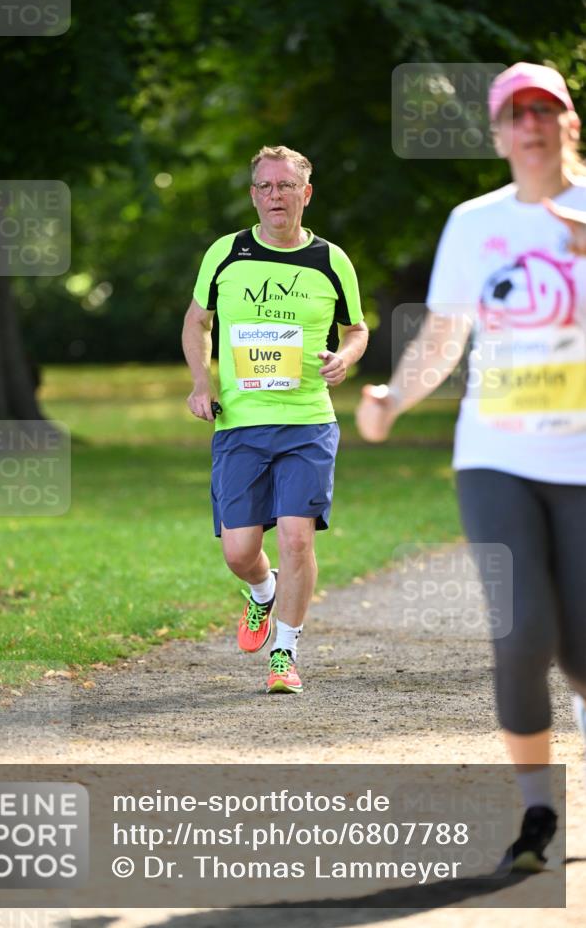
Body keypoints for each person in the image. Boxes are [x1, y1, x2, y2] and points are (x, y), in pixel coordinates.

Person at [357, 63, 586, 871]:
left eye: (544, 110)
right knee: (521, 631)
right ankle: (536, 818)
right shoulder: (473, 222)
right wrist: (390, 396)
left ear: (568, 123)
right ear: (495, 134)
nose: (529, 124)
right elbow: (444, 334)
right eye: (513, 114)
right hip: (495, 454)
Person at [183, 145, 367, 694]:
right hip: (240, 423)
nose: (274, 196)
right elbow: (197, 322)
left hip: (308, 421)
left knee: (296, 538)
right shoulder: (226, 252)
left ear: (305, 194)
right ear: (253, 195)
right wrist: (201, 382)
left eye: (285, 186)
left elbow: (356, 329)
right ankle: (263, 591)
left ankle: (284, 654)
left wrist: (345, 358)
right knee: (240, 551)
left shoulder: (331, 260)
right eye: (264, 187)